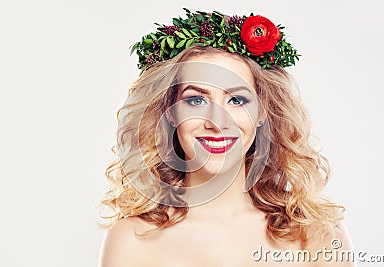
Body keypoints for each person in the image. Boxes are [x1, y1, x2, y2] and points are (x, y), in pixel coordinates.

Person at [98, 9, 355, 266]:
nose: (217, 122)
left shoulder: (317, 234)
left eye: (236, 100)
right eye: (196, 100)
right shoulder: (132, 239)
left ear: (262, 112)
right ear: (170, 113)